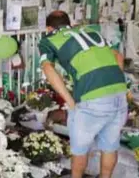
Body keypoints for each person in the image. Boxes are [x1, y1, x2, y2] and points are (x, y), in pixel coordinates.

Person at [38, 10, 127, 178]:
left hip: (91, 101)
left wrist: (70, 101)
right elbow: (118, 57)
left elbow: (47, 68)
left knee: (80, 151)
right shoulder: (91, 31)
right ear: (69, 23)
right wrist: (113, 86)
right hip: (119, 94)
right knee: (110, 146)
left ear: (48, 28)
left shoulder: (48, 40)